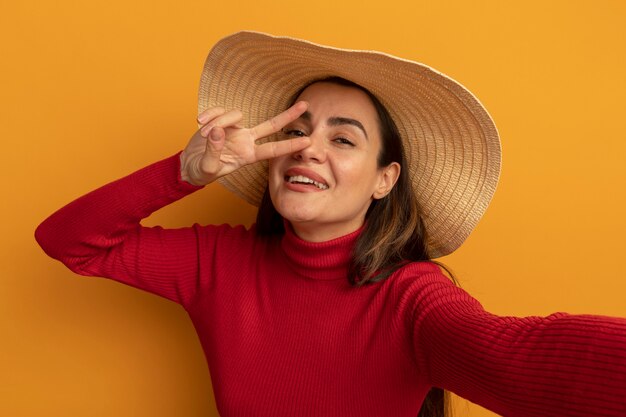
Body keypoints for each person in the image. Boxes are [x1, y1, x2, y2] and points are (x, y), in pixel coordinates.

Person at [35, 31, 626, 417]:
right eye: (296, 130)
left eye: (342, 138)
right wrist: (185, 171)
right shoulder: (218, 263)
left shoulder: (411, 298)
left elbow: (516, 356)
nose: (307, 149)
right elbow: (69, 242)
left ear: (383, 180)